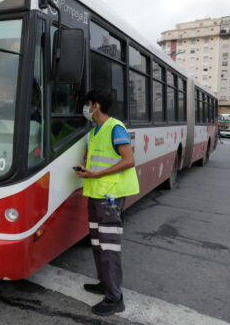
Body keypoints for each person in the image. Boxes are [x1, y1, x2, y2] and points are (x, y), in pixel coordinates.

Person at [73, 89, 139, 317]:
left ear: (95, 105)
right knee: (98, 242)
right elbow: (97, 162)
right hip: (96, 194)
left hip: (110, 196)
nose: (86, 108)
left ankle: (115, 298)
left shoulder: (115, 127)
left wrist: (97, 175)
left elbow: (129, 160)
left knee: (109, 245)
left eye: (87, 104)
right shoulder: (94, 133)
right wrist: (87, 172)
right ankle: (104, 283)